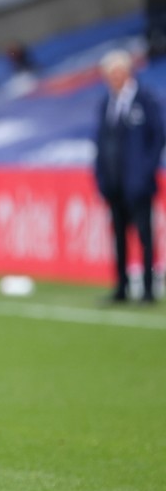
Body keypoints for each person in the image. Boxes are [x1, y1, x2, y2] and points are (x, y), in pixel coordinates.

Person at [93, 49, 165, 304]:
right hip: (114, 184)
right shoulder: (106, 103)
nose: (112, 78)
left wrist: (146, 170)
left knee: (145, 236)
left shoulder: (145, 99)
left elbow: (157, 136)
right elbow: (101, 142)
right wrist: (101, 176)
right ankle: (121, 287)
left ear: (127, 72)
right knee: (120, 238)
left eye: (116, 73)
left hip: (139, 183)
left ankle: (148, 288)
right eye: (109, 74)